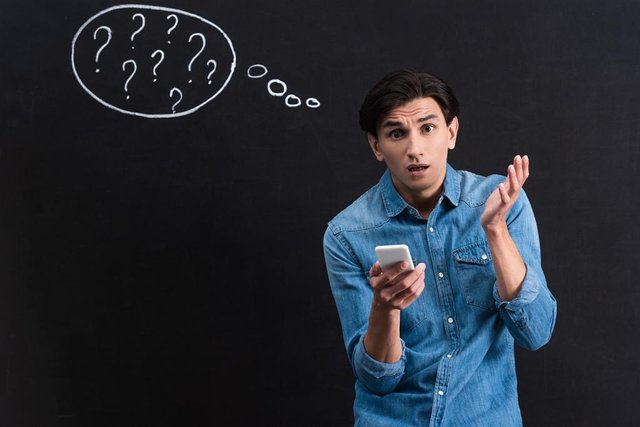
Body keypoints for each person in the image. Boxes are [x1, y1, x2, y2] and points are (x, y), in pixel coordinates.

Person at [322, 69, 557, 426]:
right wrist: (385, 309)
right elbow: (377, 380)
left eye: (427, 128)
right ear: (376, 146)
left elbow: (535, 332)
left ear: (451, 132)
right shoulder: (347, 234)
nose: (414, 148)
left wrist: (494, 231)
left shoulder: (502, 202)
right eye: (397, 133)